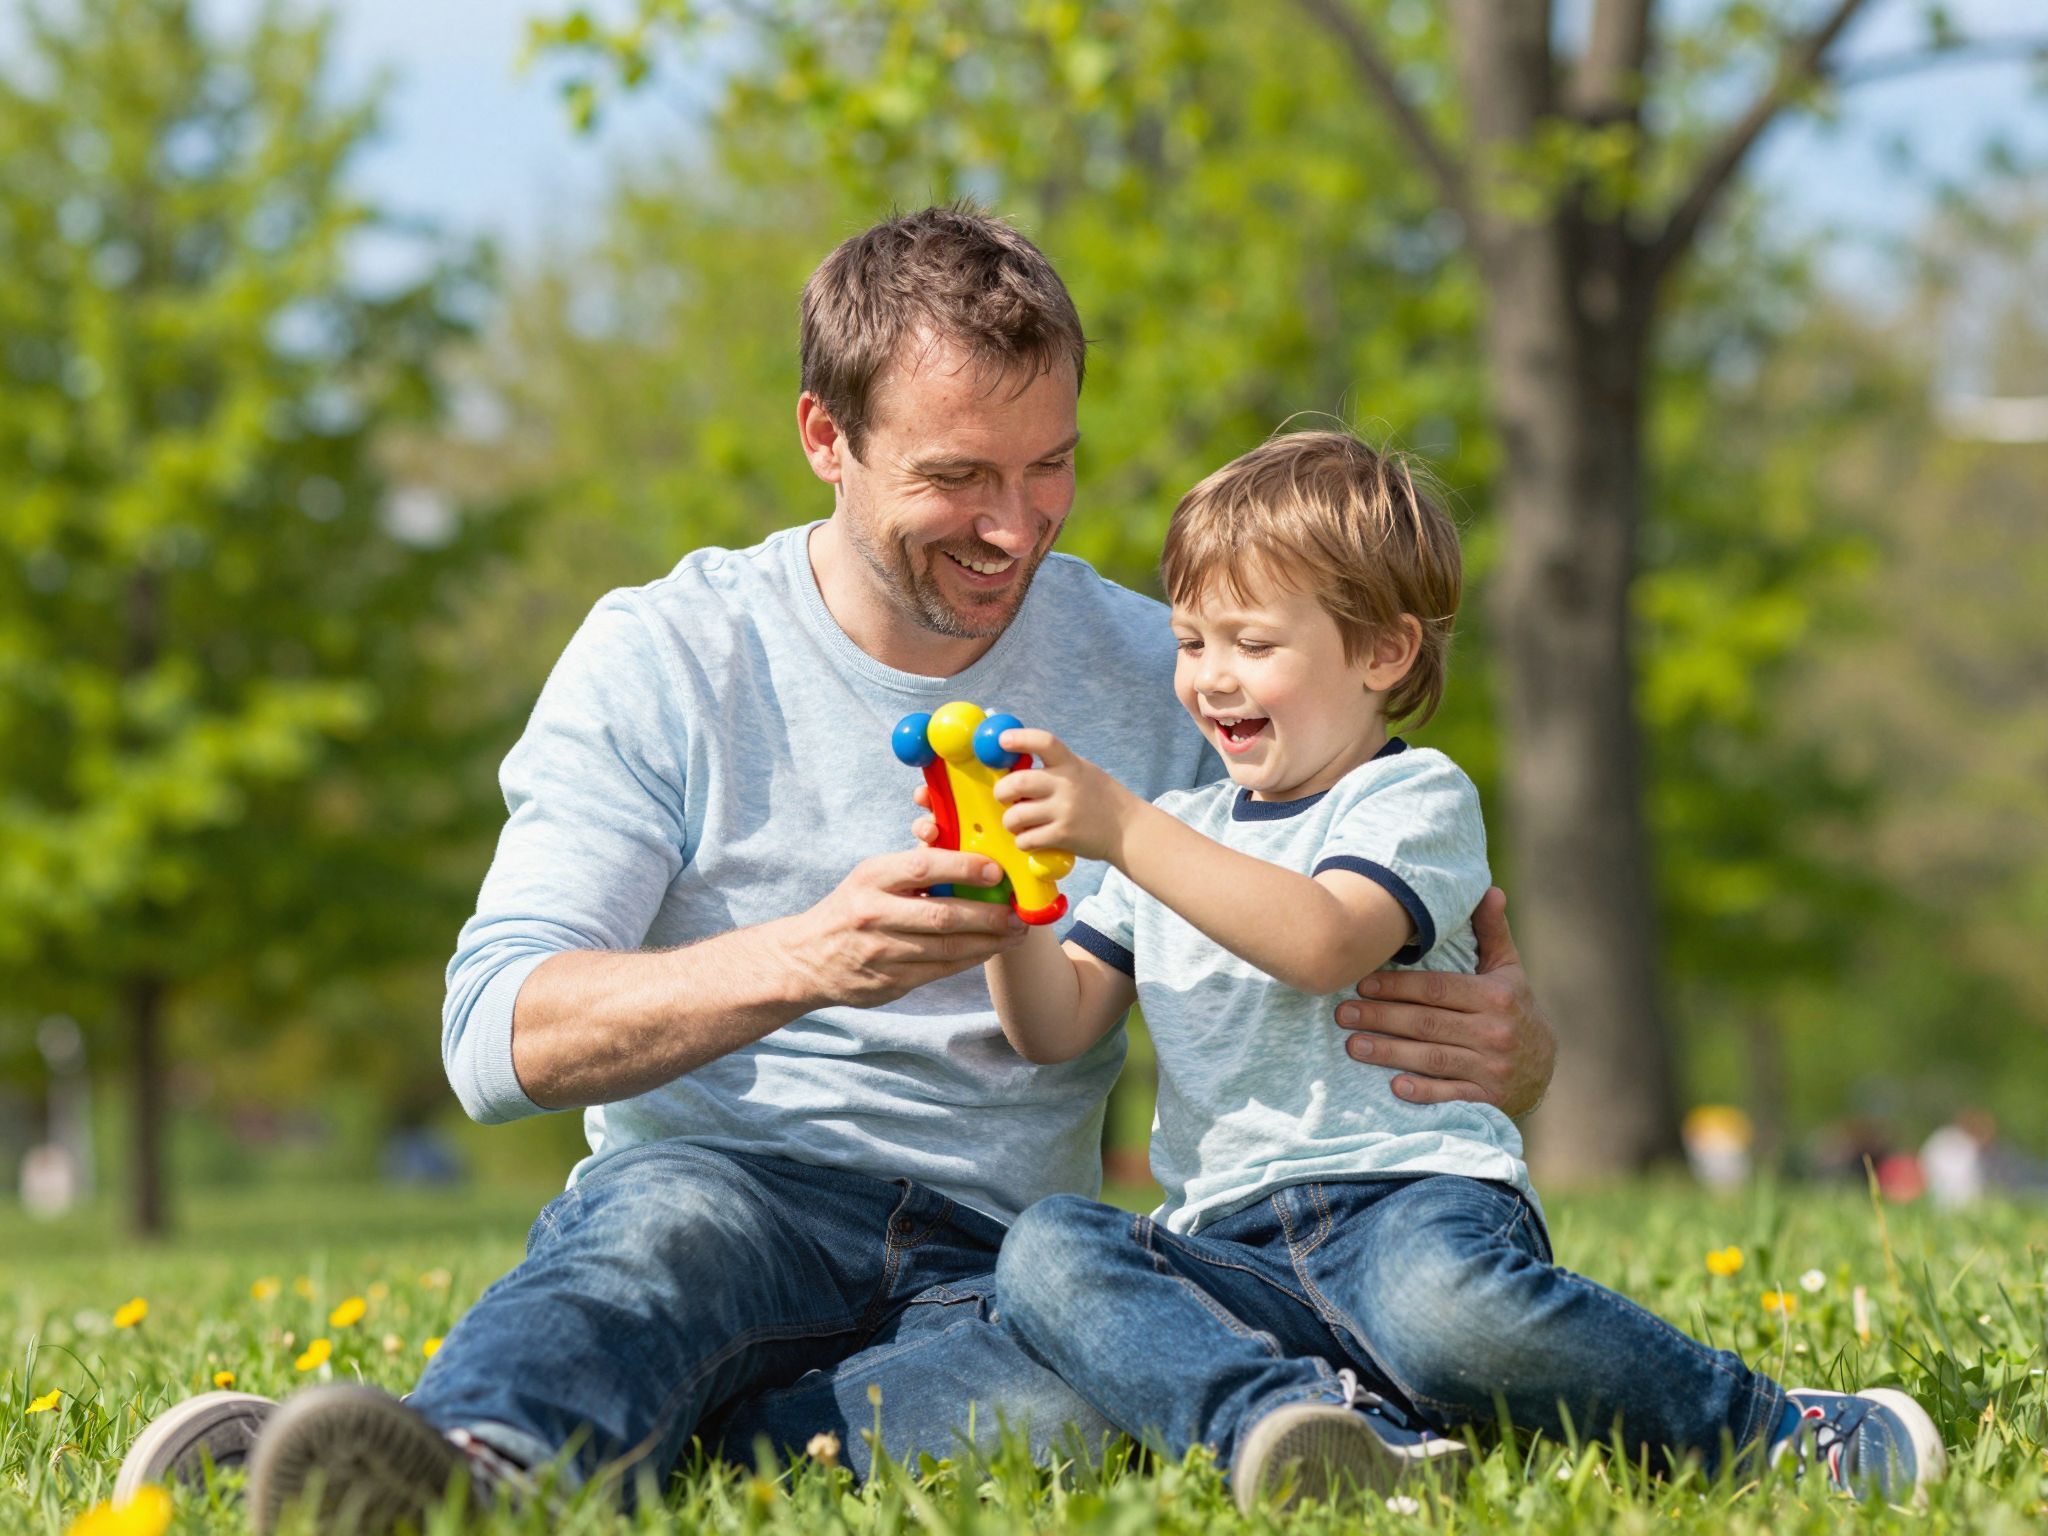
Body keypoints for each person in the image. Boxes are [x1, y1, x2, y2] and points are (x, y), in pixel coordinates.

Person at [114, 205, 1557, 1529]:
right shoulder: (670, 655)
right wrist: (810, 959)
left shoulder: (1172, 672)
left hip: (1001, 1255)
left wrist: (1517, 1049)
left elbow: (1322, 915)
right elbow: (496, 1039)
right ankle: (477, 1469)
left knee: (1064, 1413)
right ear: (825, 436)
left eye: (1050, 463)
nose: (1016, 524)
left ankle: (448, 1465)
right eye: (957, 476)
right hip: (726, 1194)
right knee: (655, 1238)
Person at [970, 430, 1947, 1512]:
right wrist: (1003, 904)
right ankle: (1307, 1426)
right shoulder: (1176, 832)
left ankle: (1777, 1431)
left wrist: (1119, 825)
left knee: (1442, 1310)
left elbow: (1320, 939)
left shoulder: (1407, 801)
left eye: (1249, 642)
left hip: (1404, 1210)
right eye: (1191, 640)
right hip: (1226, 1243)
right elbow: (1052, 1027)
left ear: (1380, 653)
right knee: (1049, 1248)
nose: (1207, 678)